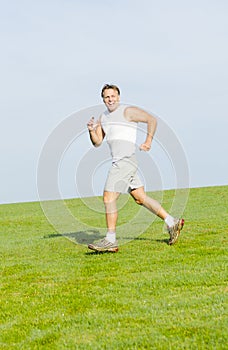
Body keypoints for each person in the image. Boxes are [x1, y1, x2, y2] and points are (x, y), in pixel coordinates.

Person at [87, 84, 184, 252]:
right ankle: (171, 221)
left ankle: (110, 240)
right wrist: (91, 131)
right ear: (103, 99)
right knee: (140, 197)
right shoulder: (103, 117)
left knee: (108, 198)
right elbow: (97, 142)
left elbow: (151, 120)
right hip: (121, 161)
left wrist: (148, 141)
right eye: (106, 97)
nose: (110, 99)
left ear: (118, 97)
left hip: (124, 161)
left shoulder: (127, 111)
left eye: (113, 96)